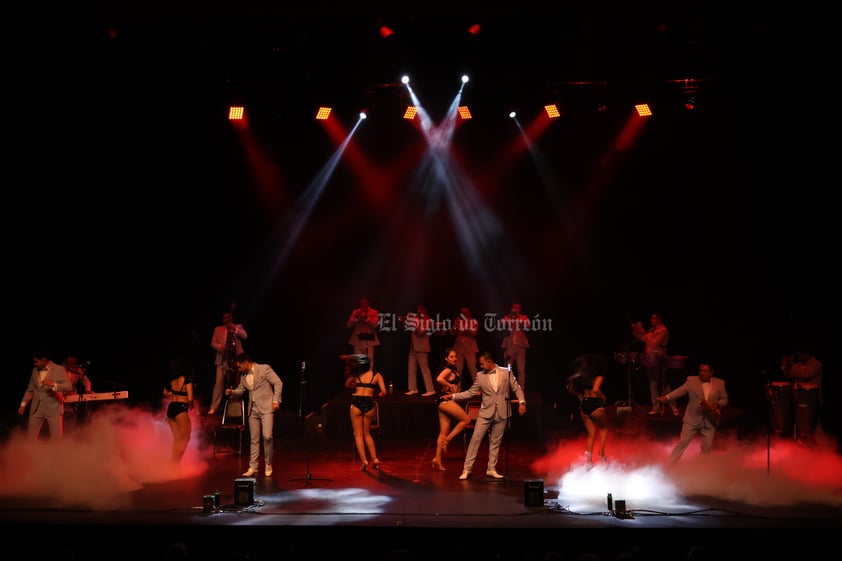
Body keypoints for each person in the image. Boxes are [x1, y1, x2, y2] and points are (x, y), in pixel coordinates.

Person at [442, 351, 526, 480]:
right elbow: (470, 393)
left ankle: (491, 469)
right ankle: (467, 469)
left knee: (495, 442)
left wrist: (522, 402)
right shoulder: (480, 376)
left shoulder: (506, 372)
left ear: (489, 362)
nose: (480, 366)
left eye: (482, 363)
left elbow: (517, 388)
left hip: (502, 412)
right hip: (486, 413)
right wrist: (453, 396)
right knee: (475, 440)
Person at [656, 359, 728, 462]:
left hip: (709, 421)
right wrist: (667, 397)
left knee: (706, 449)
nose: (702, 373)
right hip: (692, 420)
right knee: (682, 444)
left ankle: (702, 470)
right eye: (700, 370)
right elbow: (680, 391)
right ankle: (670, 465)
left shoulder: (720, 383)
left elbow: (724, 400)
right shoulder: (691, 381)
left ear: (711, 372)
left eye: (705, 371)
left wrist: (717, 404)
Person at [225, 352, 283, 477]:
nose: (239, 369)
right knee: (254, 439)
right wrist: (232, 392)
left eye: (240, 367)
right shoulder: (243, 376)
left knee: (267, 436)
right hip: (253, 410)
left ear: (246, 362)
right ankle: (253, 466)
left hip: (266, 407)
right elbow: (241, 390)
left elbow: (278, 383)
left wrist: (275, 400)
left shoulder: (264, 369)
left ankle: (268, 463)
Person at [565, 353, 610, 468]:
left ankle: (589, 461)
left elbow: (569, 388)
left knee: (591, 433)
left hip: (584, 405)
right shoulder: (598, 376)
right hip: (595, 404)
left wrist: (579, 395)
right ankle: (601, 452)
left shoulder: (583, 377)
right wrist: (603, 396)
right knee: (604, 427)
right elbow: (595, 390)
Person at [343, 353, 386, 471]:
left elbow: (346, 384)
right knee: (367, 434)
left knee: (358, 435)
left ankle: (364, 461)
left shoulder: (356, 374)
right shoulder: (377, 375)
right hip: (369, 403)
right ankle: (375, 459)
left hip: (357, 402)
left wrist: (356, 385)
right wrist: (378, 393)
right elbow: (384, 391)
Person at [18, 348, 73, 440]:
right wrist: (23, 404)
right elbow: (30, 389)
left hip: (53, 408)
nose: (34, 364)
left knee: (56, 439)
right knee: (30, 438)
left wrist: (53, 384)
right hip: (36, 409)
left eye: (36, 362)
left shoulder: (59, 369)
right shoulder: (35, 370)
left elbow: (68, 387)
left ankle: (56, 454)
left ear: (43, 360)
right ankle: (31, 453)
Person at [631, 311, 678, 416]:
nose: (651, 320)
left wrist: (643, 332)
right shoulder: (652, 329)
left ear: (659, 319)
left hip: (659, 358)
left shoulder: (663, 330)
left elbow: (653, 343)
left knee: (663, 384)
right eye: (651, 318)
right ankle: (656, 407)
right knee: (653, 384)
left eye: (653, 318)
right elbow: (644, 339)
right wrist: (635, 331)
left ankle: (674, 406)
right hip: (650, 359)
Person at [431, 348, 470, 471]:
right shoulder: (448, 369)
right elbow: (439, 379)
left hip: (444, 401)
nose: (454, 359)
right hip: (445, 401)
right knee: (466, 419)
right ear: (446, 358)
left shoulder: (453, 369)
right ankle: (447, 440)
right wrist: (450, 385)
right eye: (451, 357)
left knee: (443, 432)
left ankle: (437, 459)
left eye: (455, 356)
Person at [780, 344, 823, 446]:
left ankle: (816, 446)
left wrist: (792, 364)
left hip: (812, 399)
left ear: (807, 354)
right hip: (799, 398)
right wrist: (784, 365)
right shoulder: (798, 365)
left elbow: (804, 375)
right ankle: (801, 444)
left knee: (810, 425)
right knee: (799, 423)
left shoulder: (816, 364)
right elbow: (789, 375)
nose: (798, 358)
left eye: (800, 355)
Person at [208, 310, 248, 415]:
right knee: (218, 383)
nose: (226, 320)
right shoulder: (218, 329)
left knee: (236, 384)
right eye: (225, 318)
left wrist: (234, 329)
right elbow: (213, 343)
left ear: (232, 318)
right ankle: (214, 407)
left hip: (236, 361)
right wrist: (219, 347)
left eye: (228, 318)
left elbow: (245, 336)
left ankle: (235, 409)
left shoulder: (238, 327)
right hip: (222, 360)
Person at [163, 358, 195, 464]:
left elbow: (165, 393)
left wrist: (174, 394)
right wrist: (192, 405)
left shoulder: (171, 381)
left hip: (171, 409)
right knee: (185, 438)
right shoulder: (187, 380)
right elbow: (190, 398)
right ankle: (176, 464)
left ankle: (173, 464)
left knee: (177, 439)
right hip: (181, 409)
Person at [402, 304, 436, 397]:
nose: (418, 311)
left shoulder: (428, 321)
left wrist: (413, 321)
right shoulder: (417, 319)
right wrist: (405, 320)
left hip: (422, 348)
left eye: (420, 309)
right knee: (411, 369)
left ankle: (431, 389)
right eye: (417, 309)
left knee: (425, 370)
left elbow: (421, 332)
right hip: (413, 347)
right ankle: (413, 388)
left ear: (425, 310)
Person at [501, 303, 530, 390]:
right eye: (513, 308)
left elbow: (528, 326)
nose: (515, 310)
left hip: (520, 347)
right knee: (508, 368)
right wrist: (510, 316)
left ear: (520, 309)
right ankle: (507, 389)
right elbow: (502, 325)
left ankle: (521, 390)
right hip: (509, 347)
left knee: (521, 369)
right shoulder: (507, 318)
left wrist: (518, 316)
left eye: (517, 308)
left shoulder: (524, 318)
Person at [346, 297, 381, 370]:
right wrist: (354, 319)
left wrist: (366, 318)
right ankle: (359, 377)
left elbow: (375, 325)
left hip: (369, 341)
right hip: (357, 340)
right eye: (361, 303)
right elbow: (348, 325)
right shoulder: (355, 312)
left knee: (369, 360)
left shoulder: (374, 312)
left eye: (364, 303)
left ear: (369, 303)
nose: (362, 305)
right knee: (358, 361)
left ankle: (369, 377)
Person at [61, 355, 93, 428]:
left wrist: (88, 390)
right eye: (70, 363)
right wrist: (65, 392)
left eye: (73, 363)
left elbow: (85, 380)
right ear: (64, 362)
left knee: (71, 417)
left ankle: (69, 435)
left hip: (72, 400)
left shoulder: (77, 369)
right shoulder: (58, 370)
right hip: (59, 398)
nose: (72, 365)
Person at [450, 307, 479, 384]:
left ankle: (477, 388)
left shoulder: (473, 321)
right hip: (458, 348)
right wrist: (456, 325)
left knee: (472, 368)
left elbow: (474, 333)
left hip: (470, 348)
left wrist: (464, 328)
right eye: (462, 312)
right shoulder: (458, 321)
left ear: (469, 313)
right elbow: (452, 332)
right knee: (458, 369)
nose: (463, 314)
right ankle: (457, 387)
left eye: (465, 312)